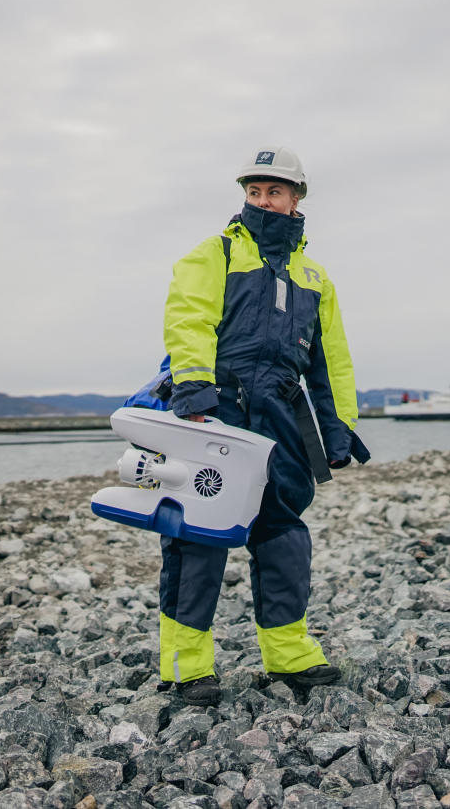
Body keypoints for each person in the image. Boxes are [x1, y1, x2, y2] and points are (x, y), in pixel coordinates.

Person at [157, 146, 370, 706]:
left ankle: (289, 654)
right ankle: (185, 667)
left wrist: (339, 426)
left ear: (296, 198)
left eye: (274, 191)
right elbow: (189, 318)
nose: (262, 199)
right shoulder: (217, 252)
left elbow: (331, 361)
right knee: (197, 537)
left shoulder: (314, 276)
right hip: (217, 410)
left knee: (283, 535)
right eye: (254, 191)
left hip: (281, 416)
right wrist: (195, 387)